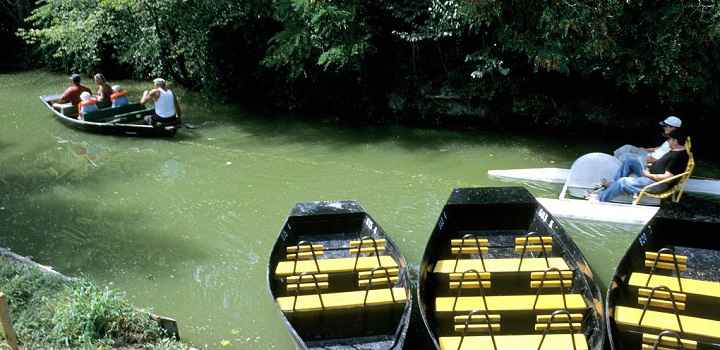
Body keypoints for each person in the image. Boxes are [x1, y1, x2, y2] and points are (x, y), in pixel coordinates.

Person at [594, 128, 689, 202]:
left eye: (670, 139)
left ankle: (599, 199)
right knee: (630, 161)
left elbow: (666, 178)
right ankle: (613, 184)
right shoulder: (675, 150)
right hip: (650, 175)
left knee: (623, 181)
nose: (669, 141)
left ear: (675, 141)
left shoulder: (678, 157)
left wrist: (648, 175)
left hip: (656, 184)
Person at [603, 116, 682, 186]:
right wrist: (645, 149)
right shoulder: (671, 138)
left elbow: (660, 159)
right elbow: (659, 148)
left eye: (665, 126)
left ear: (673, 128)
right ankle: (612, 163)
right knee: (627, 147)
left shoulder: (675, 143)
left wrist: (645, 157)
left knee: (626, 156)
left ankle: (613, 174)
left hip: (650, 159)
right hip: (650, 154)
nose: (663, 127)